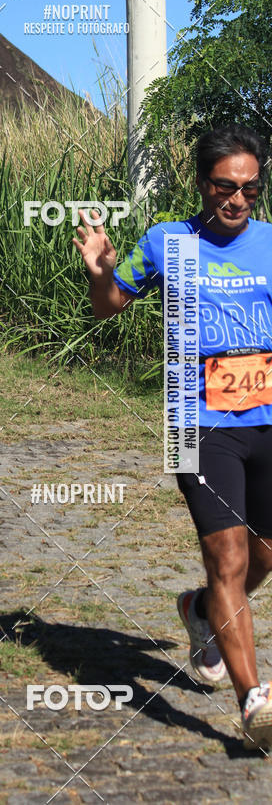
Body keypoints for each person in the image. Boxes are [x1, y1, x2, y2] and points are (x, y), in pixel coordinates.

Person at [73, 123, 272, 749]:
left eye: (250, 188)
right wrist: (99, 271)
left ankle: (199, 611)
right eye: (225, 186)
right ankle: (255, 702)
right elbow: (108, 303)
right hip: (198, 423)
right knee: (229, 559)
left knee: (263, 557)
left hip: (267, 419)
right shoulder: (168, 242)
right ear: (202, 182)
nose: (237, 199)